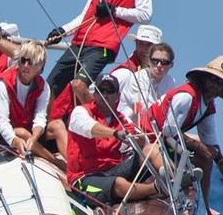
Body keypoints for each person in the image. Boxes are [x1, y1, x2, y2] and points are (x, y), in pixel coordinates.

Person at [140, 56, 223, 215]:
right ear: (203, 78)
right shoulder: (187, 96)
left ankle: (205, 210)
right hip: (148, 139)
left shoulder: (208, 106)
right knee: (202, 153)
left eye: (220, 83)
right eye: (212, 79)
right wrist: (200, 147)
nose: (215, 85)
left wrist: (221, 162)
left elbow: (209, 137)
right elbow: (168, 132)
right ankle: (176, 180)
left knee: (207, 157)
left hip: (167, 141)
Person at [45, 0, 152, 99]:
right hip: (80, 42)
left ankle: (94, 117)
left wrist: (113, 11)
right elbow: (85, 15)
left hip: (103, 45)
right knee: (51, 85)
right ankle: (47, 123)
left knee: (79, 85)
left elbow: (145, 15)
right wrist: (62, 31)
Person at [43, 24, 162, 168]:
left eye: (148, 45)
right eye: (140, 44)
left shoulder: (157, 80)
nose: (143, 50)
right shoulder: (125, 74)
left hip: (130, 137)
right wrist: (108, 128)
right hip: (114, 137)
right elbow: (97, 97)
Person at [67, 74, 161, 204]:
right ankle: (157, 189)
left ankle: (176, 177)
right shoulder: (80, 112)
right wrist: (116, 133)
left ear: (117, 96)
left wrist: (135, 138)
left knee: (151, 149)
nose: (105, 95)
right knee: (118, 183)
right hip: (85, 178)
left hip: (113, 170)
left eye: (110, 91)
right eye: (101, 90)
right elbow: (90, 128)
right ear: (94, 94)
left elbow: (143, 141)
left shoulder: (121, 118)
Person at [0, 40, 60, 167]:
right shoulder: (3, 84)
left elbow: (40, 117)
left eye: (31, 62)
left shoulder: (43, 87)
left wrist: (35, 137)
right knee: (22, 133)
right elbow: (1, 121)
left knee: (58, 126)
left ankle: (76, 168)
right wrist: (15, 141)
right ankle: (59, 165)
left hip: (26, 129)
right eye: (22, 60)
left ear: (40, 65)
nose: (25, 65)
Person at [119, 40, 176, 123]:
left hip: (154, 124)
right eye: (155, 61)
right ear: (149, 61)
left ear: (171, 65)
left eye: (164, 62)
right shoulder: (138, 77)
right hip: (129, 123)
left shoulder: (170, 81)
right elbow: (143, 108)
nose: (159, 65)